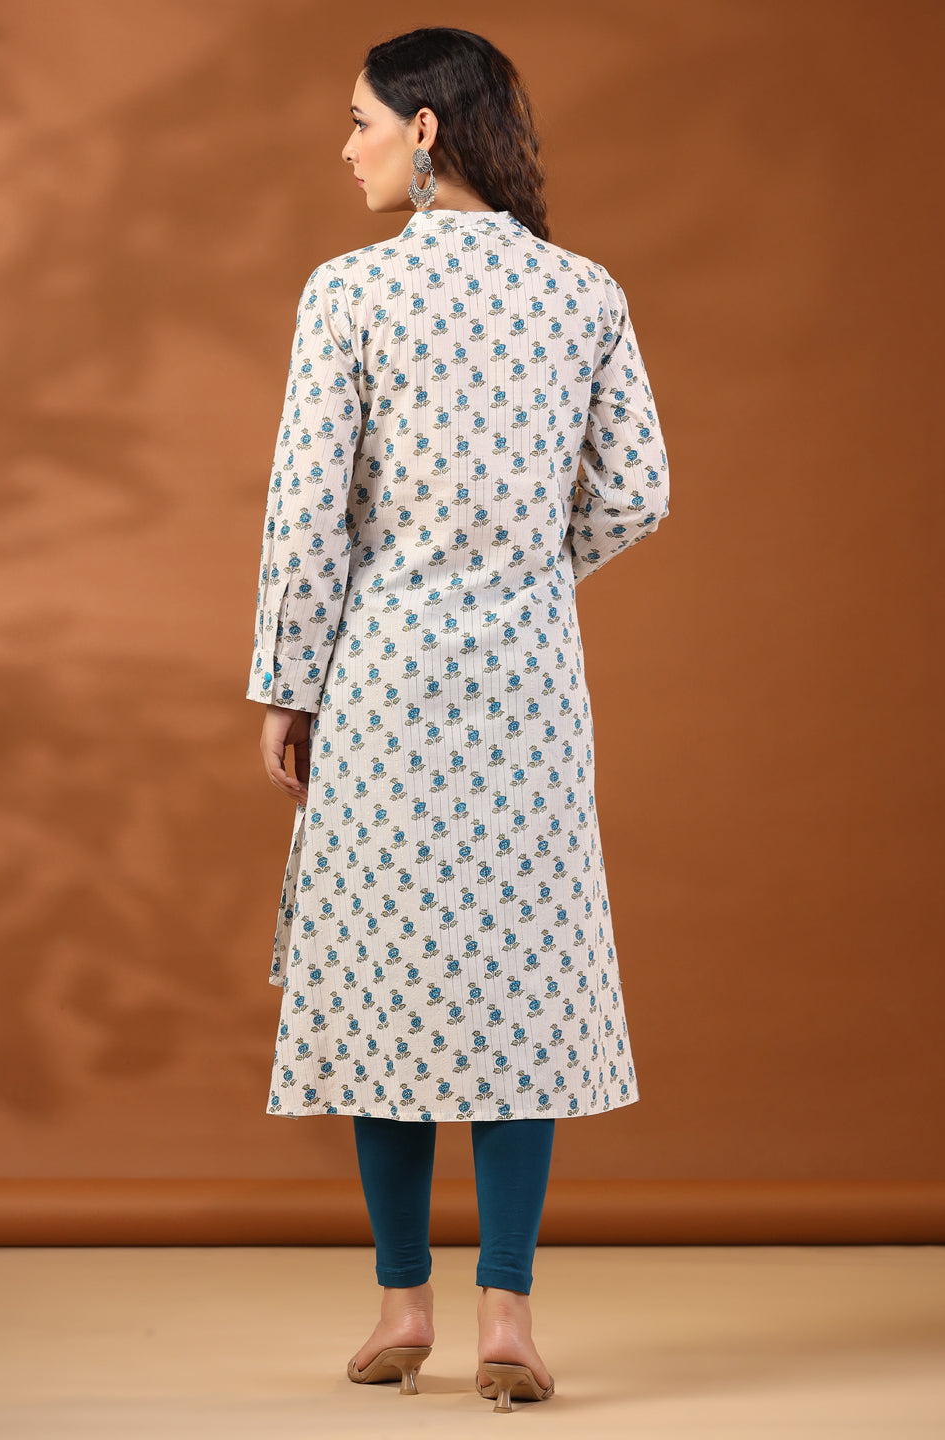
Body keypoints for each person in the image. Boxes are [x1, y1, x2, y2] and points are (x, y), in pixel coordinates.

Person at [245, 26, 669, 1412]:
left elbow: (309, 511)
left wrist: (287, 684)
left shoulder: (350, 292)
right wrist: (530, 570)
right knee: (520, 979)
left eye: (361, 121)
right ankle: (510, 1318)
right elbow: (638, 491)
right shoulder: (584, 291)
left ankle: (400, 1304)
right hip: (530, 685)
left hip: (384, 679)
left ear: (425, 130)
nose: (347, 146)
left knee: (384, 972)